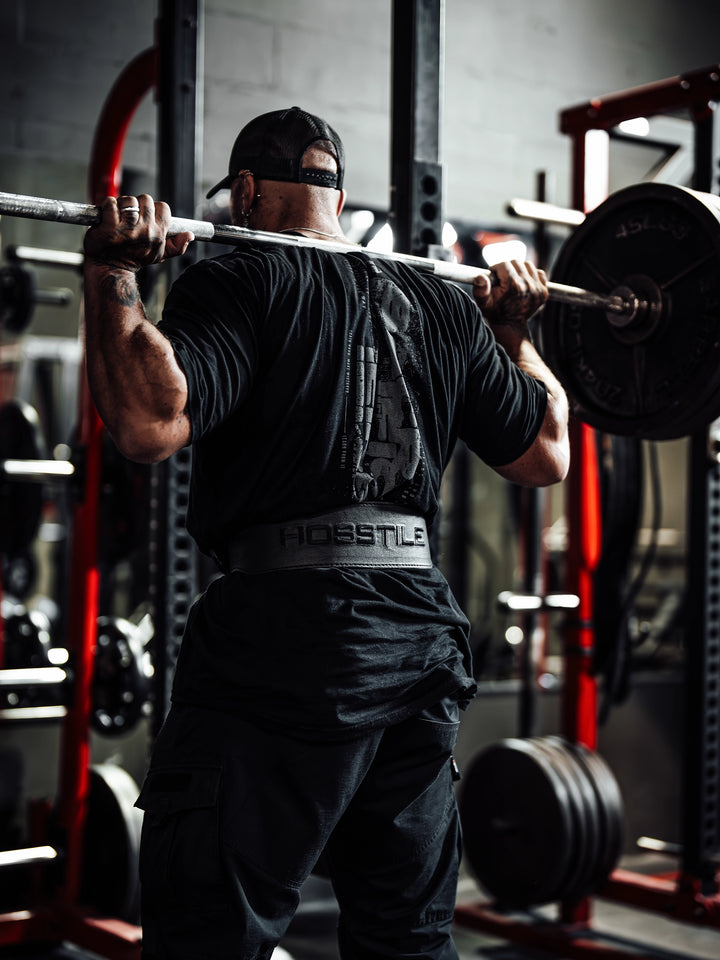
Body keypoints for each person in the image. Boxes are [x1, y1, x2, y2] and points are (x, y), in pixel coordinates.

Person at [82, 105, 569, 960]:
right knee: (406, 939)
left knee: (210, 929)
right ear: (338, 198)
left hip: (286, 642)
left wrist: (114, 277)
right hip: (418, 646)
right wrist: (516, 333)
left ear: (244, 191)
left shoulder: (242, 277)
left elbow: (148, 424)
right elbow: (547, 451)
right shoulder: (445, 303)